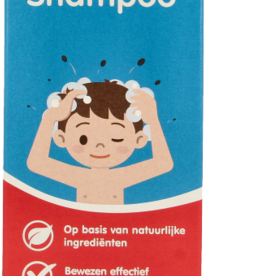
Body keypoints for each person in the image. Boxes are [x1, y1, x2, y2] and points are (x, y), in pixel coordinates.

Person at [27, 80, 173, 205]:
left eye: (116, 137)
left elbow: (163, 163)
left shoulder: (120, 177)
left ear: (139, 140)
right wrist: (50, 118)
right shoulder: (79, 177)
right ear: (61, 138)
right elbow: (37, 163)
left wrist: (153, 120)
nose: (100, 145)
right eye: (83, 138)